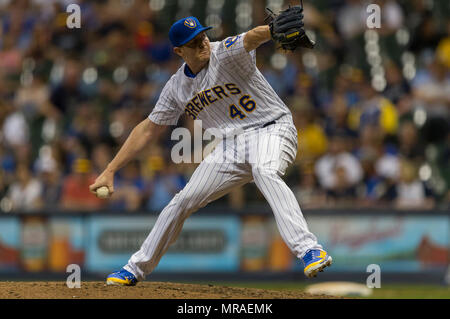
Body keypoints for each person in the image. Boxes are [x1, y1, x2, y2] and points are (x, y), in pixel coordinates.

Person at [89, 17, 332, 286]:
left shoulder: (224, 53)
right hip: (229, 146)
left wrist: (272, 31)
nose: (203, 43)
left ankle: (309, 249)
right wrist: (110, 170)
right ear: (179, 51)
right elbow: (148, 129)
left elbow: (251, 37)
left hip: (271, 128)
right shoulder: (176, 87)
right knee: (182, 201)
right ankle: (134, 269)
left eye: (203, 36)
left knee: (265, 171)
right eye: (194, 43)